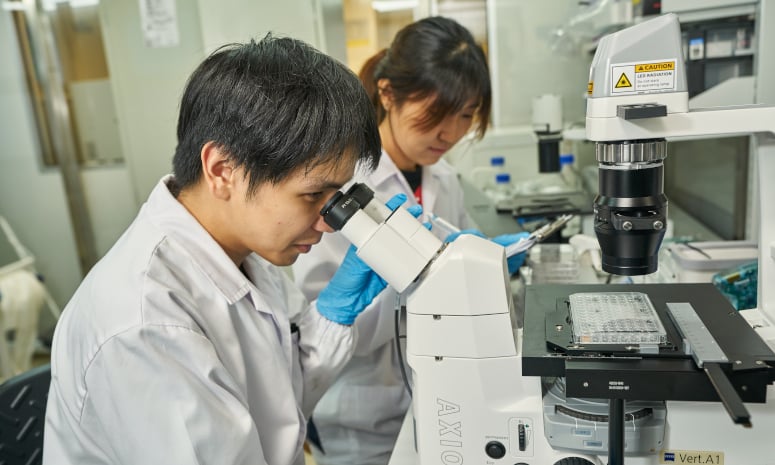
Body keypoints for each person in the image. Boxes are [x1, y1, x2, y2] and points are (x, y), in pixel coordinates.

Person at [42, 34, 399, 465]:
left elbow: (278, 405)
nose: (327, 221)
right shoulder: (147, 322)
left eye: (334, 196)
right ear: (222, 170)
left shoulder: (240, 255)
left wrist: (331, 316)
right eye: (311, 195)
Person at [292, 16, 530, 465]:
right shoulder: (343, 186)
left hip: (442, 396)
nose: (450, 133)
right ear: (387, 94)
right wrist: (432, 283)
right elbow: (326, 324)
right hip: (362, 415)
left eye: (465, 115)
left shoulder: (445, 179)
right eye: (437, 113)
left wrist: (484, 266)